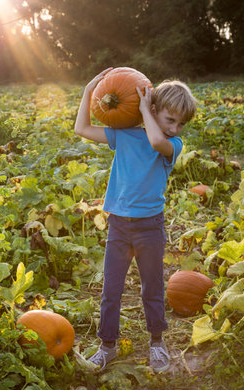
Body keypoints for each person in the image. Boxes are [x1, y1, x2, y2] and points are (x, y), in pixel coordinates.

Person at [74, 68, 197, 372]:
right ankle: (107, 346)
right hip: (119, 225)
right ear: (155, 110)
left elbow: (156, 142)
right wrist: (89, 90)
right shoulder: (124, 135)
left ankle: (157, 341)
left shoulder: (172, 145)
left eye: (181, 123)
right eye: (170, 120)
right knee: (111, 289)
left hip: (149, 227)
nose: (176, 128)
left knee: (152, 288)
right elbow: (82, 130)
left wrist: (147, 111)